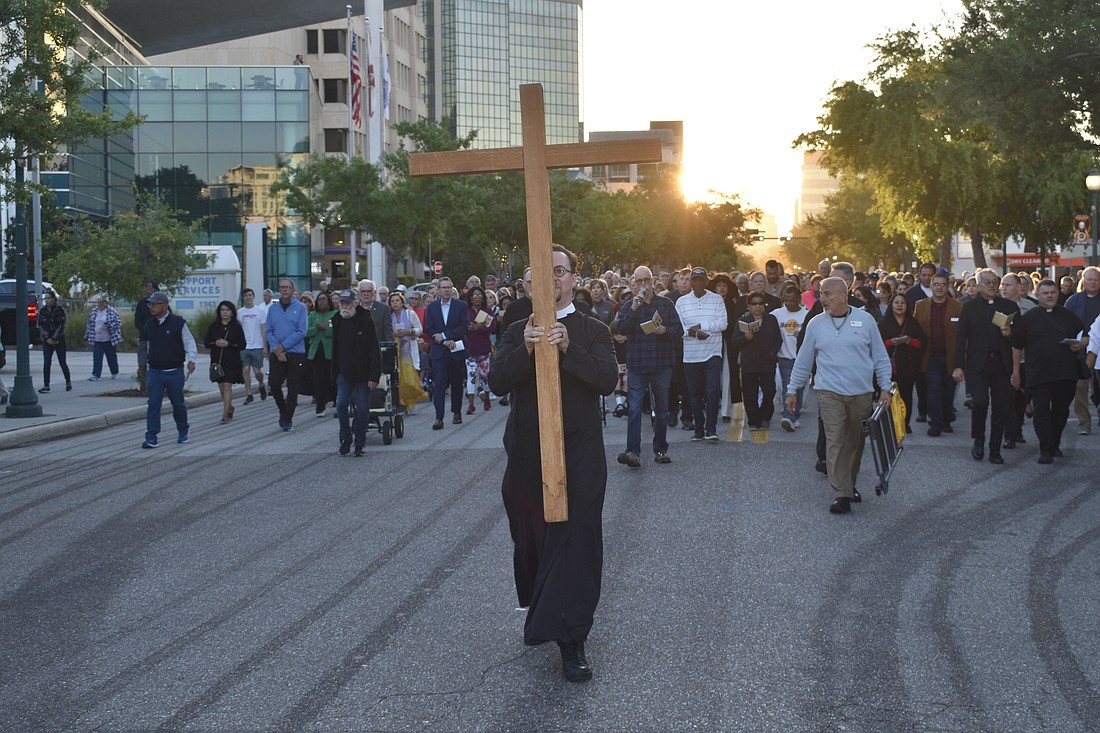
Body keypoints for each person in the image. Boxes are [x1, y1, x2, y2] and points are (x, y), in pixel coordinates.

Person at [487, 244, 618, 683]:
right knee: (531, 538)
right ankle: (541, 610)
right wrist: (524, 350)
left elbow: (604, 380)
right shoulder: (515, 330)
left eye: (558, 271)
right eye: (539, 276)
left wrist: (568, 350)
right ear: (526, 287)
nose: (550, 280)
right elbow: (497, 381)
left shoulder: (593, 329)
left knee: (574, 541)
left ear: (574, 280)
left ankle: (572, 640)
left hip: (579, 453)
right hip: (526, 454)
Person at [785, 277, 893, 514]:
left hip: (861, 392)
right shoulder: (815, 324)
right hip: (828, 391)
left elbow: (880, 357)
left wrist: (885, 388)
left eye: (828, 294)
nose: (822, 298)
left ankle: (849, 484)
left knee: (855, 442)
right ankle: (842, 493)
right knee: (835, 440)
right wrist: (792, 389)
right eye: (821, 293)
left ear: (844, 296)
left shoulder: (865, 321)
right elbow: (804, 360)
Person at [1010, 280, 1088, 463]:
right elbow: (1016, 346)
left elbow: (1084, 336)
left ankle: (1054, 443)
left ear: (1057, 293)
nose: (1050, 296)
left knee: (1061, 411)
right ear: (1037, 295)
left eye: (1053, 292)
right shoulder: (1028, 318)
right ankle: (1046, 449)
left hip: (1065, 373)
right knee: (1042, 411)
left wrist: (1079, 344)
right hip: (1038, 373)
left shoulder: (1068, 315)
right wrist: (1016, 372)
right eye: (1045, 293)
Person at [615, 265, 683, 466]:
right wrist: (634, 308)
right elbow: (621, 330)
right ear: (634, 283)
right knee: (634, 409)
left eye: (646, 281)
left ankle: (660, 449)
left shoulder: (665, 304)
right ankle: (632, 451)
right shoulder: (628, 306)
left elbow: (679, 330)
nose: (643, 285)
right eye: (639, 281)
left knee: (661, 410)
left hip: (661, 363)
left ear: (653, 282)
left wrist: (665, 330)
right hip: (637, 364)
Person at [953, 268, 1019, 464]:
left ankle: (995, 448)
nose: (991, 286)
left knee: (1000, 407)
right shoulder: (969, 308)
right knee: (980, 403)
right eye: (987, 282)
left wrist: (1010, 333)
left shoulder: (1008, 306)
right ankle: (978, 439)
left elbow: (1021, 338)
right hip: (978, 365)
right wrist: (958, 366)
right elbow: (960, 339)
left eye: (994, 282)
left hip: (1001, 364)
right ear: (979, 286)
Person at [675, 267, 727, 441]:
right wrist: (690, 332)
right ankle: (698, 429)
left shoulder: (717, 299)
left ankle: (711, 429)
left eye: (700, 280)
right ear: (691, 282)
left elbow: (723, 323)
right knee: (694, 394)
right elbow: (677, 326)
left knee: (712, 391)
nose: (697, 283)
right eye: (694, 280)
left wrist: (701, 326)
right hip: (691, 355)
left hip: (712, 352)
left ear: (706, 282)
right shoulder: (681, 302)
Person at [141, 292, 197, 448]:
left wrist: (191, 360)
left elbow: (189, 342)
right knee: (153, 404)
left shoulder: (178, 323)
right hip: (155, 372)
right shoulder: (149, 324)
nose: (151, 307)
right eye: (149, 304)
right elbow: (147, 346)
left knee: (178, 404)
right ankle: (151, 436)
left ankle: (183, 429)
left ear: (164, 306)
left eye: (154, 304)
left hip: (174, 371)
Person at [331, 290, 382, 456]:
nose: (345, 306)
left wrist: (374, 376)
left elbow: (374, 350)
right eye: (342, 303)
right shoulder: (337, 320)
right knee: (341, 406)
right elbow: (335, 350)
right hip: (343, 373)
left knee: (362, 409)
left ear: (355, 303)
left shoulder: (365, 320)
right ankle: (346, 438)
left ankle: (360, 444)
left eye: (347, 303)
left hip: (363, 374)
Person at [913, 271, 962, 437]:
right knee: (933, 389)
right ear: (931, 286)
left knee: (948, 391)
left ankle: (946, 419)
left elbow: (963, 334)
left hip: (950, 355)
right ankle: (934, 423)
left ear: (948, 286)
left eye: (943, 284)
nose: (939, 288)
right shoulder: (921, 305)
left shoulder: (958, 306)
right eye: (936, 284)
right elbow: (915, 330)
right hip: (930, 355)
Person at [730, 290, 782, 430]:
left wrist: (772, 354)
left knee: (769, 391)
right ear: (749, 306)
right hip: (749, 363)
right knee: (749, 393)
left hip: (767, 362)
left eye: (760, 303)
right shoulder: (743, 320)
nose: (757, 306)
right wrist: (744, 338)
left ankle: (765, 416)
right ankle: (753, 421)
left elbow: (778, 339)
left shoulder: (771, 319)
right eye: (754, 304)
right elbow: (734, 341)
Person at [423, 277, 469, 429]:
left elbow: (463, 327)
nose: (446, 290)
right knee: (439, 385)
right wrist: (442, 340)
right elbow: (428, 328)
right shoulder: (432, 307)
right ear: (438, 290)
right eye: (443, 287)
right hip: (439, 352)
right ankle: (439, 417)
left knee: (456, 384)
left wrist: (447, 336)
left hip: (455, 349)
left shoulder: (461, 306)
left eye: (449, 287)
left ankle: (456, 412)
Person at [878, 293, 927, 434]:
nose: (899, 305)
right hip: (888, 367)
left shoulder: (913, 323)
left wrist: (909, 340)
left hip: (909, 366)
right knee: (888, 394)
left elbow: (922, 342)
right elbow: (876, 344)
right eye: (896, 302)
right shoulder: (884, 323)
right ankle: (888, 422)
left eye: (903, 303)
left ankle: (905, 423)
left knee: (906, 395)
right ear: (891, 305)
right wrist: (889, 342)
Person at [265, 277, 309, 432]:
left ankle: (288, 417)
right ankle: (282, 409)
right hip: (277, 353)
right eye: (282, 287)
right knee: (274, 383)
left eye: (287, 287)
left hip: (295, 353)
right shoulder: (273, 308)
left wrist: (283, 347)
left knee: (293, 387)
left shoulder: (301, 307)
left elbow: (301, 331)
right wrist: (277, 349)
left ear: (292, 289)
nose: (284, 290)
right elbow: (269, 330)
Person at [1064, 266, 1100, 434]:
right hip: (1079, 350)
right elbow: (1064, 323)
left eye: (1096, 279)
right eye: (1090, 279)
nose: (1093, 282)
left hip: (1099, 351)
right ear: (1083, 281)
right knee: (1081, 387)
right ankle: (1084, 422)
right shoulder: (1073, 301)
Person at [772, 284, 809, 431]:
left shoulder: (807, 314)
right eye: (786, 300)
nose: (788, 303)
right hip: (784, 358)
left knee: (799, 388)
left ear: (799, 299)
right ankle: (789, 416)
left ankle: (795, 413)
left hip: (801, 358)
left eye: (792, 301)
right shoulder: (777, 314)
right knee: (788, 386)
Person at [203, 300, 245, 423]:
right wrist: (215, 343)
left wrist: (229, 344)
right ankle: (229, 406)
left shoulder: (236, 327)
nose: (225, 312)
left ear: (232, 312)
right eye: (222, 310)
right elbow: (206, 343)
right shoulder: (214, 326)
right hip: (217, 361)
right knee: (221, 387)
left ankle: (225, 415)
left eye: (227, 310)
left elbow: (242, 345)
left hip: (232, 360)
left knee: (227, 386)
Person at [389, 290, 427, 414]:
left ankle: (410, 401)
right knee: (397, 378)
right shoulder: (388, 315)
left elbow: (419, 329)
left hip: (408, 350)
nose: (395, 303)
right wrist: (393, 333)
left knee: (409, 379)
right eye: (392, 301)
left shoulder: (410, 313)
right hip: (395, 350)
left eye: (397, 301)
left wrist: (409, 332)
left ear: (402, 302)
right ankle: (400, 402)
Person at [463, 285, 497, 413]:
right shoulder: (466, 311)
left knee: (485, 375)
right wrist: (471, 328)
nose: (477, 297)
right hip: (470, 348)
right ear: (470, 298)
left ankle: (487, 397)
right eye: (474, 295)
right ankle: (471, 404)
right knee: (471, 375)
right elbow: (463, 327)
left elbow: (492, 327)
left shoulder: (487, 311)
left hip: (484, 348)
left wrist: (479, 328)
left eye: (479, 295)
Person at [306, 291, 336, 417]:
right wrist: (316, 329)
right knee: (318, 379)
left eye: (324, 299)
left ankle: (336, 399)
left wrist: (326, 329)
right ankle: (320, 405)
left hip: (331, 352)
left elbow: (337, 331)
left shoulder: (335, 314)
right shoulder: (313, 315)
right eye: (320, 300)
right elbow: (306, 332)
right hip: (316, 351)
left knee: (333, 378)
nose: (322, 302)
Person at [237, 288, 268, 405]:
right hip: (244, 346)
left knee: (257, 371)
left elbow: (263, 329)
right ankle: (249, 394)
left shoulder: (260, 311)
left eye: (250, 295)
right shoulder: (240, 312)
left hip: (257, 345)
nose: (248, 298)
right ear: (243, 298)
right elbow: (238, 329)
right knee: (245, 370)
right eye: (245, 296)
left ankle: (261, 384)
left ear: (253, 296)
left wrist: (265, 346)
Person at [37, 290, 72, 393]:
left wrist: (54, 338)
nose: (47, 301)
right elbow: (41, 325)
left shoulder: (60, 310)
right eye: (45, 298)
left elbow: (61, 325)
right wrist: (47, 338)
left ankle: (68, 381)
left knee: (62, 362)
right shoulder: (43, 311)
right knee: (47, 363)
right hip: (47, 341)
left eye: (49, 298)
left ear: (53, 299)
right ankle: (46, 385)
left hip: (59, 340)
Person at [84, 295, 122, 380]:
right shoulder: (94, 311)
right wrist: (87, 336)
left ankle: (114, 372)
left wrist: (110, 326)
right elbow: (89, 324)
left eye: (102, 302)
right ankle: (96, 374)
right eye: (99, 302)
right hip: (97, 339)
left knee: (111, 357)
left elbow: (118, 322)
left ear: (105, 303)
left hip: (109, 339)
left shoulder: (111, 311)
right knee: (97, 357)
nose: (100, 304)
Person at [135, 280, 156, 388]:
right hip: (144, 337)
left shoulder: (161, 303)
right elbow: (137, 321)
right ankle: (143, 385)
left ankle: (156, 385)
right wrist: (145, 330)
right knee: (142, 361)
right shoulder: (141, 303)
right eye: (147, 288)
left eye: (151, 288)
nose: (149, 290)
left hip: (157, 339)